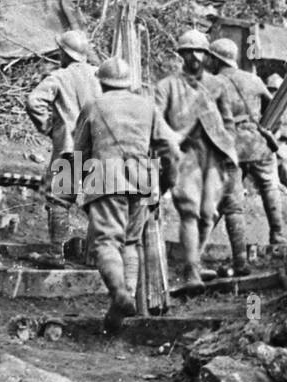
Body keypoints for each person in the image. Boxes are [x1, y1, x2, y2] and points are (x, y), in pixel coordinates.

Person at [73, 57, 179, 332]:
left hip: (105, 178)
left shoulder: (93, 106)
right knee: (131, 243)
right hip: (142, 179)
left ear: (102, 82)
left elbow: (77, 152)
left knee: (105, 242)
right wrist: (167, 182)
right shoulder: (147, 107)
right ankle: (124, 300)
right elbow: (172, 148)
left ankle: (119, 290)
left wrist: (66, 191)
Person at [153, 29, 245, 284]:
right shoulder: (167, 86)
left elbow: (229, 122)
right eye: (189, 52)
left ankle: (196, 260)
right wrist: (172, 144)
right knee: (190, 211)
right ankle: (191, 272)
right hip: (185, 155)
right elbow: (157, 121)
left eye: (200, 52)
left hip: (214, 156)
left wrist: (229, 146)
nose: (194, 57)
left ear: (206, 55)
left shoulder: (217, 85)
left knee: (209, 214)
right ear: (181, 54)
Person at [25, 29, 100, 264]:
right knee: (97, 201)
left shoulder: (59, 76)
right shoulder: (101, 76)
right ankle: (96, 255)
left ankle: (56, 253)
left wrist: (49, 127)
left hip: (69, 147)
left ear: (65, 54)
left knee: (59, 199)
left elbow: (33, 101)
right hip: (97, 149)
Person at [206, 38, 287, 247]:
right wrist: (268, 129)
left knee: (228, 200)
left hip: (231, 146)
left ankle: (202, 244)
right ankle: (278, 235)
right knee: (269, 187)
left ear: (215, 59)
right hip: (259, 142)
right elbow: (276, 107)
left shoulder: (212, 83)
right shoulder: (254, 79)